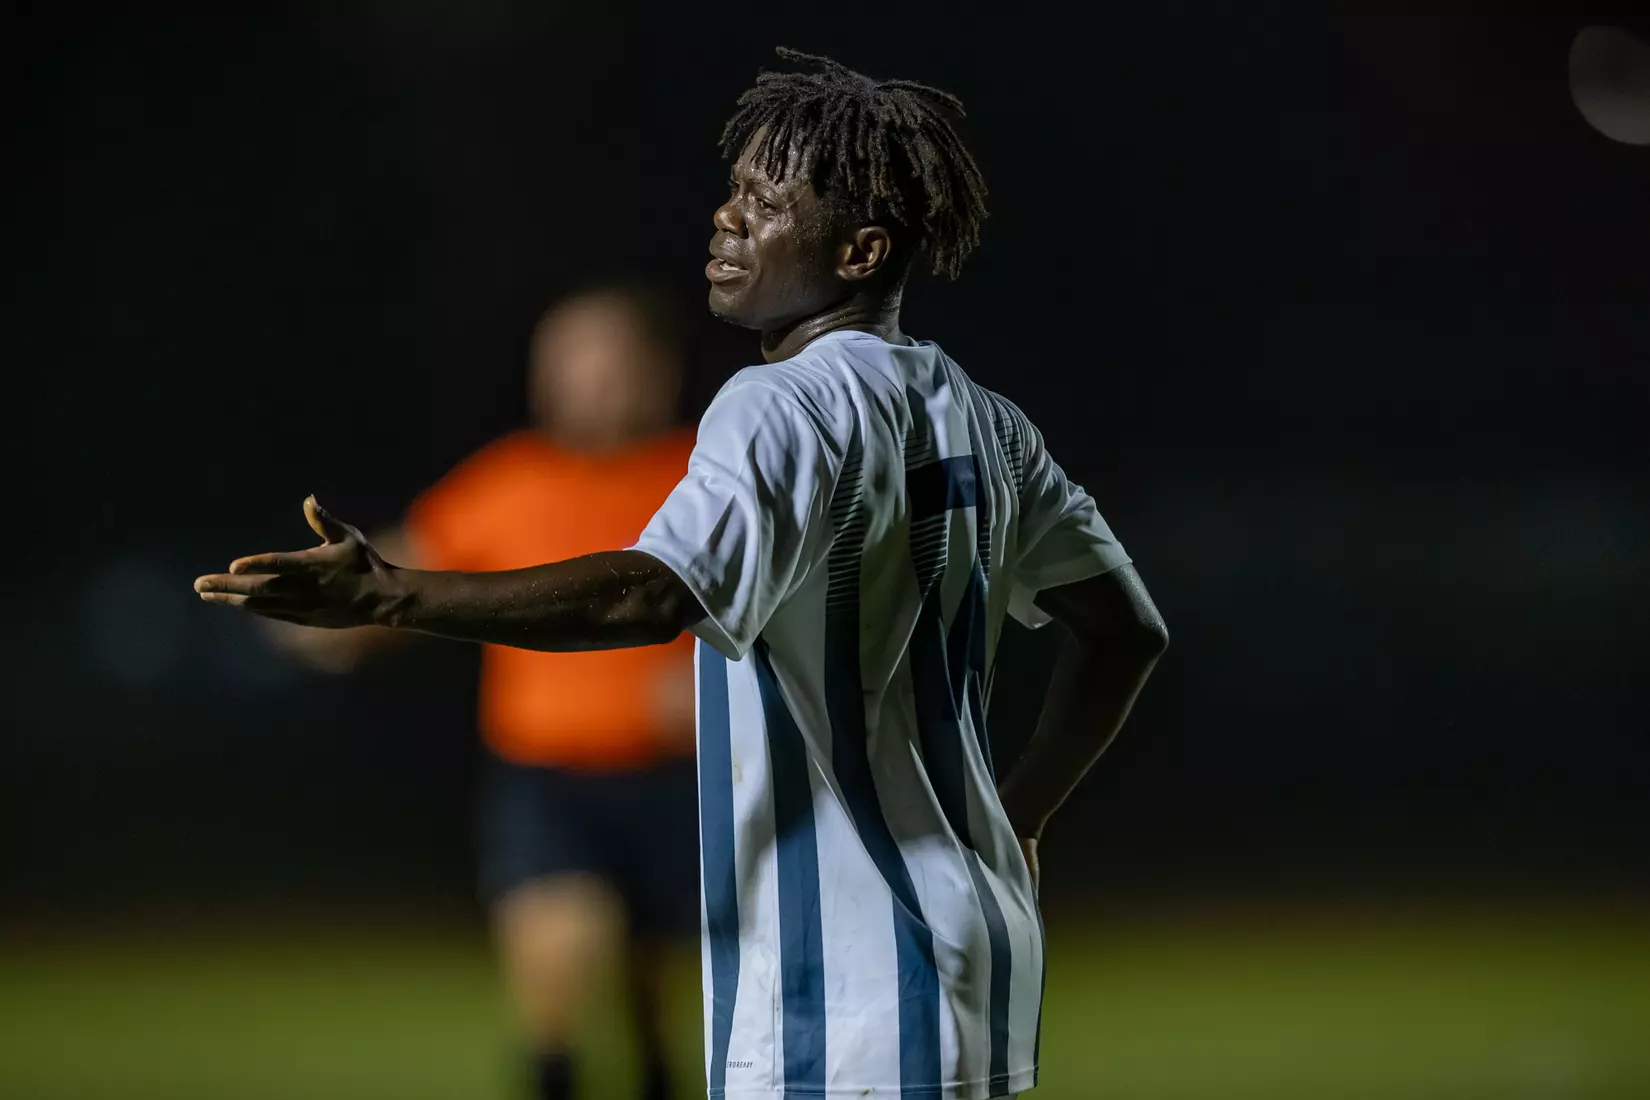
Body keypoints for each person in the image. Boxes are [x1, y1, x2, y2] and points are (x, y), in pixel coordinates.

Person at [196, 47, 1168, 1100]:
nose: (727, 218)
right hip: (973, 946)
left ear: (860, 249)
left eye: (764, 199)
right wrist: (1018, 813)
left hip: (837, 986)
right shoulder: (988, 419)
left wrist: (391, 594)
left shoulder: (780, 405)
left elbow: (650, 591)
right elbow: (1126, 631)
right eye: (733, 189)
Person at [266, 284, 700, 1100]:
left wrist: (729, 680)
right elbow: (406, 573)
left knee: (650, 1004)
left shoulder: (704, 476)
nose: (592, 379)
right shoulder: (512, 480)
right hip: (547, 780)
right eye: (572, 359)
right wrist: (314, 614)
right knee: (560, 965)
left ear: (658, 369)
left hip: (682, 779)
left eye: (610, 358)